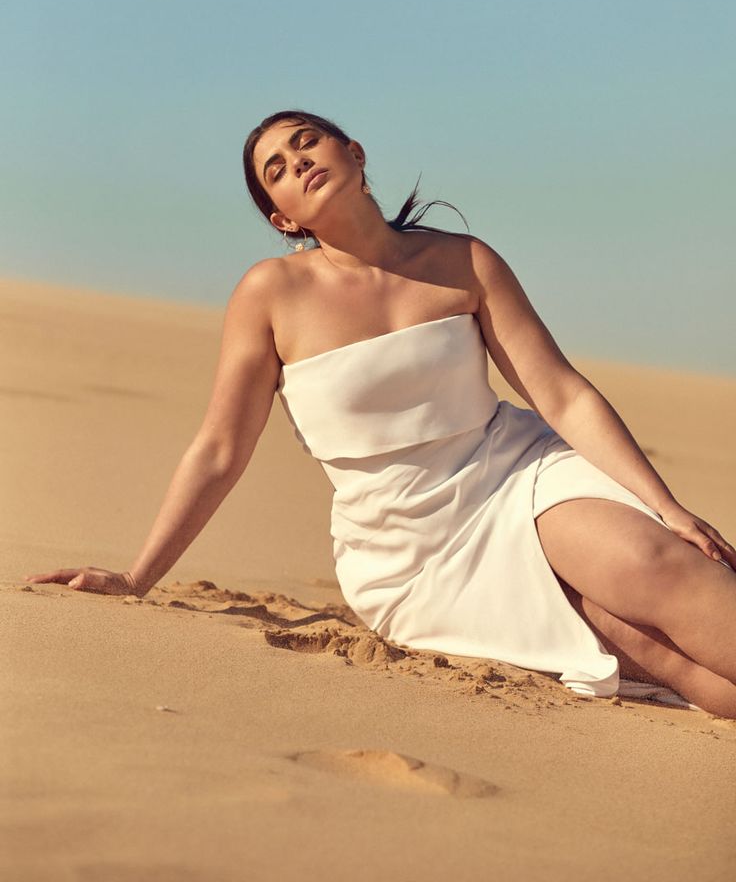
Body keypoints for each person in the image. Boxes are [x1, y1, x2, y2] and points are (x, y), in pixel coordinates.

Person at [27, 109, 736, 717]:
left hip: (511, 472)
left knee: (656, 562)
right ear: (282, 218)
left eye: (306, 141)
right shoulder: (270, 294)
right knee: (654, 654)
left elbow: (559, 391)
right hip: (407, 547)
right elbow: (220, 449)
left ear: (353, 154)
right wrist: (136, 577)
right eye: (275, 169)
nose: (296, 161)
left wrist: (664, 504)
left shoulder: (463, 261)